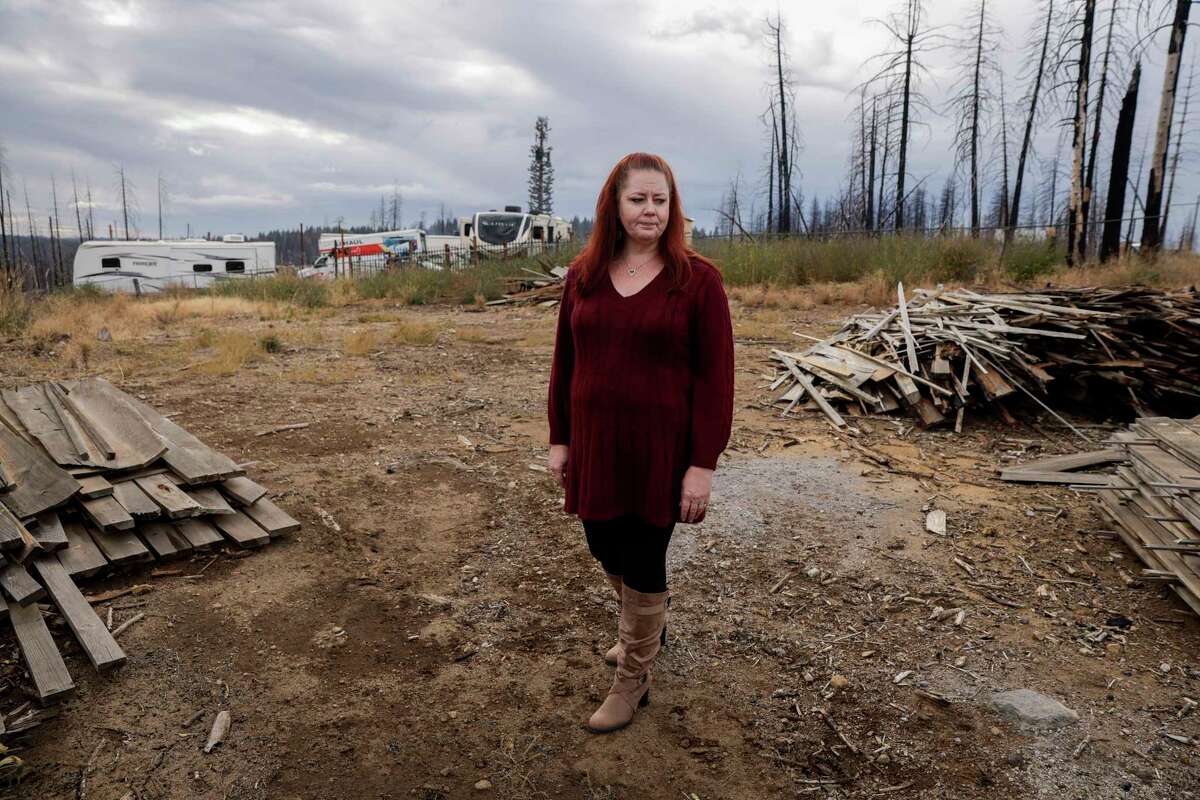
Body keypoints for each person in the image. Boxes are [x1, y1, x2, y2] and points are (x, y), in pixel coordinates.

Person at [546, 152, 735, 733]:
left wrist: (702, 464)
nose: (649, 210)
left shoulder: (697, 280)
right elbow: (565, 361)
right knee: (604, 546)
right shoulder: (584, 276)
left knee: (644, 555)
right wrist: (561, 439)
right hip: (597, 443)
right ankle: (646, 623)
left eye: (660, 200)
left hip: (660, 450)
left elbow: (716, 378)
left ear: (672, 207)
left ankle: (634, 678)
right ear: (615, 206)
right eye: (638, 199)